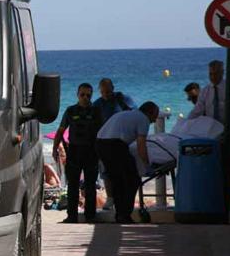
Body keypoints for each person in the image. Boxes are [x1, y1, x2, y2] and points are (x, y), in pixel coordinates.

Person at [188, 60, 230, 218]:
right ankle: (214, 201)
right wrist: (186, 124)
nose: (212, 77)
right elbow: (198, 109)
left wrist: (228, 128)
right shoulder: (206, 91)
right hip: (212, 132)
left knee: (227, 168)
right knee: (213, 167)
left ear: (222, 73)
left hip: (229, 131)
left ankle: (227, 203)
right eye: (210, 74)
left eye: (215, 74)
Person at [96, 101, 159, 224]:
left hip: (100, 144)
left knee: (118, 181)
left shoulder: (127, 114)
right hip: (114, 144)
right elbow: (141, 146)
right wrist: (147, 166)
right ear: (149, 113)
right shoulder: (143, 119)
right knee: (133, 179)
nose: (155, 120)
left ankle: (121, 215)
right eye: (155, 116)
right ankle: (124, 214)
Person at [53, 83, 102, 223]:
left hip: (91, 151)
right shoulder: (70, 111)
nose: (85, 97)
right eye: (82, 94)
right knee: (73, 185)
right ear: (77, 95)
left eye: (88, 95)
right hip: (74, 151)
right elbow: (61, 130)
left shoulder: (96, 111)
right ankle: (72, 216)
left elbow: (102, 131)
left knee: (91, 185)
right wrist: (55, 148)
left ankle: (90, 216)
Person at [92, 78, 137, 210]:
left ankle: (123, 199)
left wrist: (122, 102)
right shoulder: (97, 105)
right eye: (104, 92)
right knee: (106, 172)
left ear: (113, 88)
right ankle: (110, 198)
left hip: (123, 141)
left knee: (123, 171)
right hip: (104, 142)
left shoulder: (123, 99)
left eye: (109, 91)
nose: (106, 94)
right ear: (100, 91)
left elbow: (134, 113)